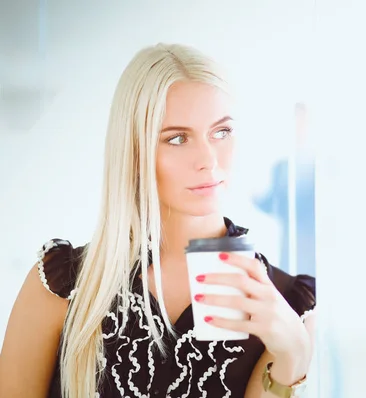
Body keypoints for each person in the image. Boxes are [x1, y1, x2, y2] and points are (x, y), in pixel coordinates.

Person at [0, 43, 316, 398]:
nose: (208, 160)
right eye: (178, 138)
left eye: (221, 132)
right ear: (134, 150)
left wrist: (294, 355)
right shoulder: (61, 286)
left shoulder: (288, 304)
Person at [254, 103, 316, 276]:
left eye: (303, 122)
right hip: (289, 239)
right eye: (296, 121)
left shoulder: (319, 165)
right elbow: (271, 202)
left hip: (311, 239)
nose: (298, 127)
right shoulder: (282, 166)